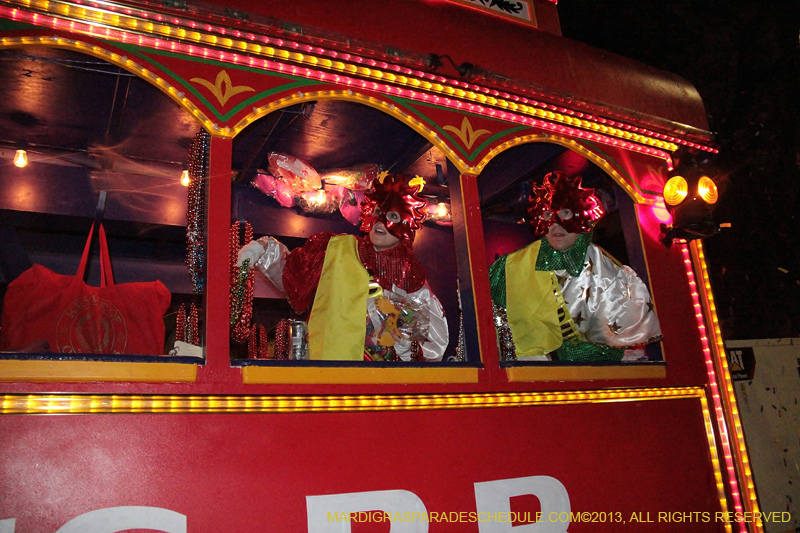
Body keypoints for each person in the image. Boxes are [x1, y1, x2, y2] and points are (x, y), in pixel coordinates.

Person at [237, 174, 448, 362]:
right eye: (377, 211)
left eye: (392, 216)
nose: (380, 221)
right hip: (328, 378)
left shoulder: (412, 277)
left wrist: (410, 349)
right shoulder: (336, 248)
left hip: (381, 391)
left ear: (406, 225)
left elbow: (432, 345)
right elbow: (292, 275)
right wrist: (265, 249)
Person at [489, 172, 662, 362]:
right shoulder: (508, 268)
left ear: (581, 216)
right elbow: (489, 331)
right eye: (548, 214)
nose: (556, 224)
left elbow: (619, 347)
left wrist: (559, 355)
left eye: (565, 213)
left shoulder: (609, 272)